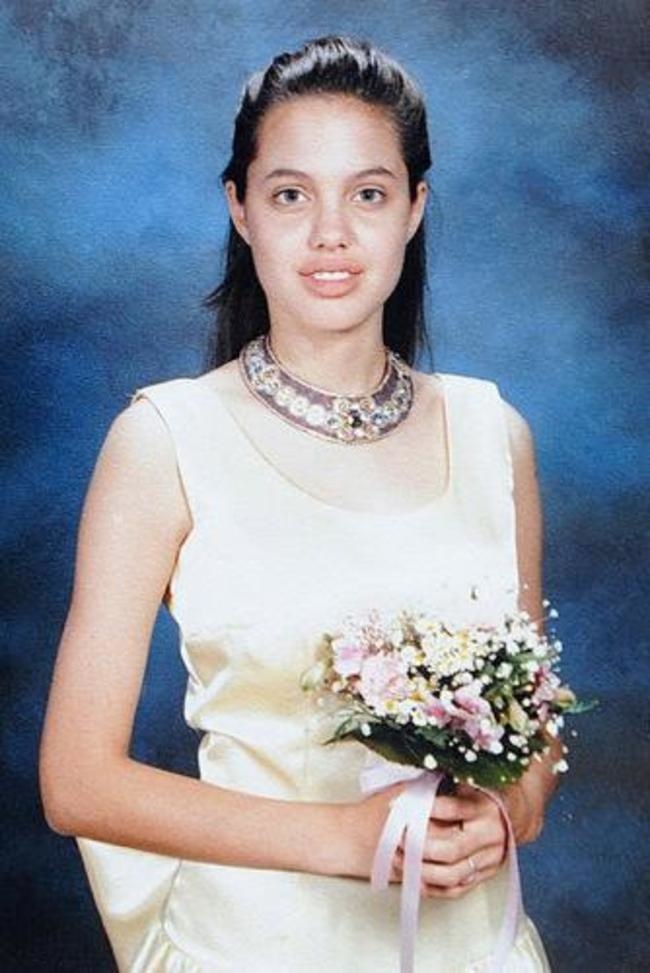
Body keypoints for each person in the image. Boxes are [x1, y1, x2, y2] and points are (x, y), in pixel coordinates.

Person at [39, 34, 563, 972]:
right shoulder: (165, 441)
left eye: (368, 194)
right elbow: (76, 781)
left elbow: (533, 727)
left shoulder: (494, 434)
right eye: (291, 194)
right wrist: (343, 839)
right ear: (240, 209)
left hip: (476, 948)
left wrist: (506, 809)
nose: (331, 234)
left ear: (414, 208)